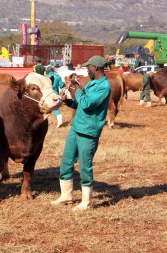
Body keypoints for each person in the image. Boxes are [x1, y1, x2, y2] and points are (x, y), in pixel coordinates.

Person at [51, 56, 111, 211]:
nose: (86, 70)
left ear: (96, 68)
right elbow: (81, 103)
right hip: (76, 128)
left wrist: (77, 88)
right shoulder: (92, 83)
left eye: (88, 67)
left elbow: (87, 104)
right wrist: (68, 102)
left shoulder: (104, 86)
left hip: (88, 131)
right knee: (66, 161)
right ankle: (66, 195)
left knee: (85, 166)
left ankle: (86, 201)